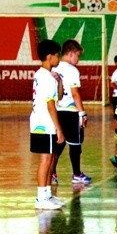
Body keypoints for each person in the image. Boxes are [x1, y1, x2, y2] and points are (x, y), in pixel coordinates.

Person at [31, 39, 65, 209]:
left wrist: (59, 82)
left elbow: (58, 97)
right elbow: (51, 105)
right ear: (50, 56)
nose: (58, 59)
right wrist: (59, 129)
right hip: (45, 122)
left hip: (39, 120)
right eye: (57, 55)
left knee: (50, 157)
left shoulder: (42, 74)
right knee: (46, 159)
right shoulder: (46, 78)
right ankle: (40, 198)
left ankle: (47, 195)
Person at [51, 39, 91, 185]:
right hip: (70, 112)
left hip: (57, 111)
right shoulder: (72, 70)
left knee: (59, 144)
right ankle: (76, 174)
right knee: (75, 144)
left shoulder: (53, 67)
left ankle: (52, 172)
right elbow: (75, 94)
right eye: (77, 56)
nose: (78, 60)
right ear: (71, 53)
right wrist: (82, 113)